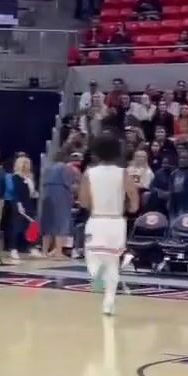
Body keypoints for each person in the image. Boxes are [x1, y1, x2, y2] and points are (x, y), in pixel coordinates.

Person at [77, 130, 137, 317]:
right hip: (116, 221)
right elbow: (134, 200)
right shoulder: (123, 173)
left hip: (97, 220)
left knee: (93, 260)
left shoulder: (89, 173)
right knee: (112, 262)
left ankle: (101, 279)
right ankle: (109, 300)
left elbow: (83, 202)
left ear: (96, 151)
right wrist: (129, 207)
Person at [39, 150, 75, 256]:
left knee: (47, 224)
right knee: (61, 222)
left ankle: (44, 251)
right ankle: (58, 252)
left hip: (46, 194)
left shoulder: (47, 168)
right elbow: (68, 183)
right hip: (61, 194)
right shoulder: (66, 168)